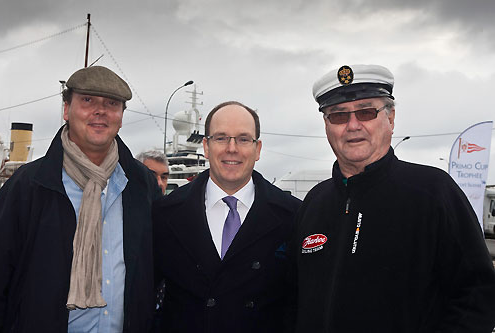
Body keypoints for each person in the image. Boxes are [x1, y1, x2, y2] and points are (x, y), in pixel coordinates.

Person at [288, 64, 495, 332]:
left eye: (366, 112)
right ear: (327, 126)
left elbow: (477, 294)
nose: (353, 126)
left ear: (391, 118)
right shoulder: (315, 203)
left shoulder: (433, 192)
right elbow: (293, 297)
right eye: (338, 116)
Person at [0, 66, 162, 332]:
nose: (100, 111)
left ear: (121, 116)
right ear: (66, 110)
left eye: (112, 103)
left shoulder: (140, 184)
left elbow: (156, 268)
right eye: (87, 100)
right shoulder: (29, 185)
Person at [152, 101, 301, 332]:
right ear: (206, 146)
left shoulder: (293, 216)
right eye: (221, 138)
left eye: (243, 139)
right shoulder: (165, 214)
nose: (232, 148)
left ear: (258, 149)